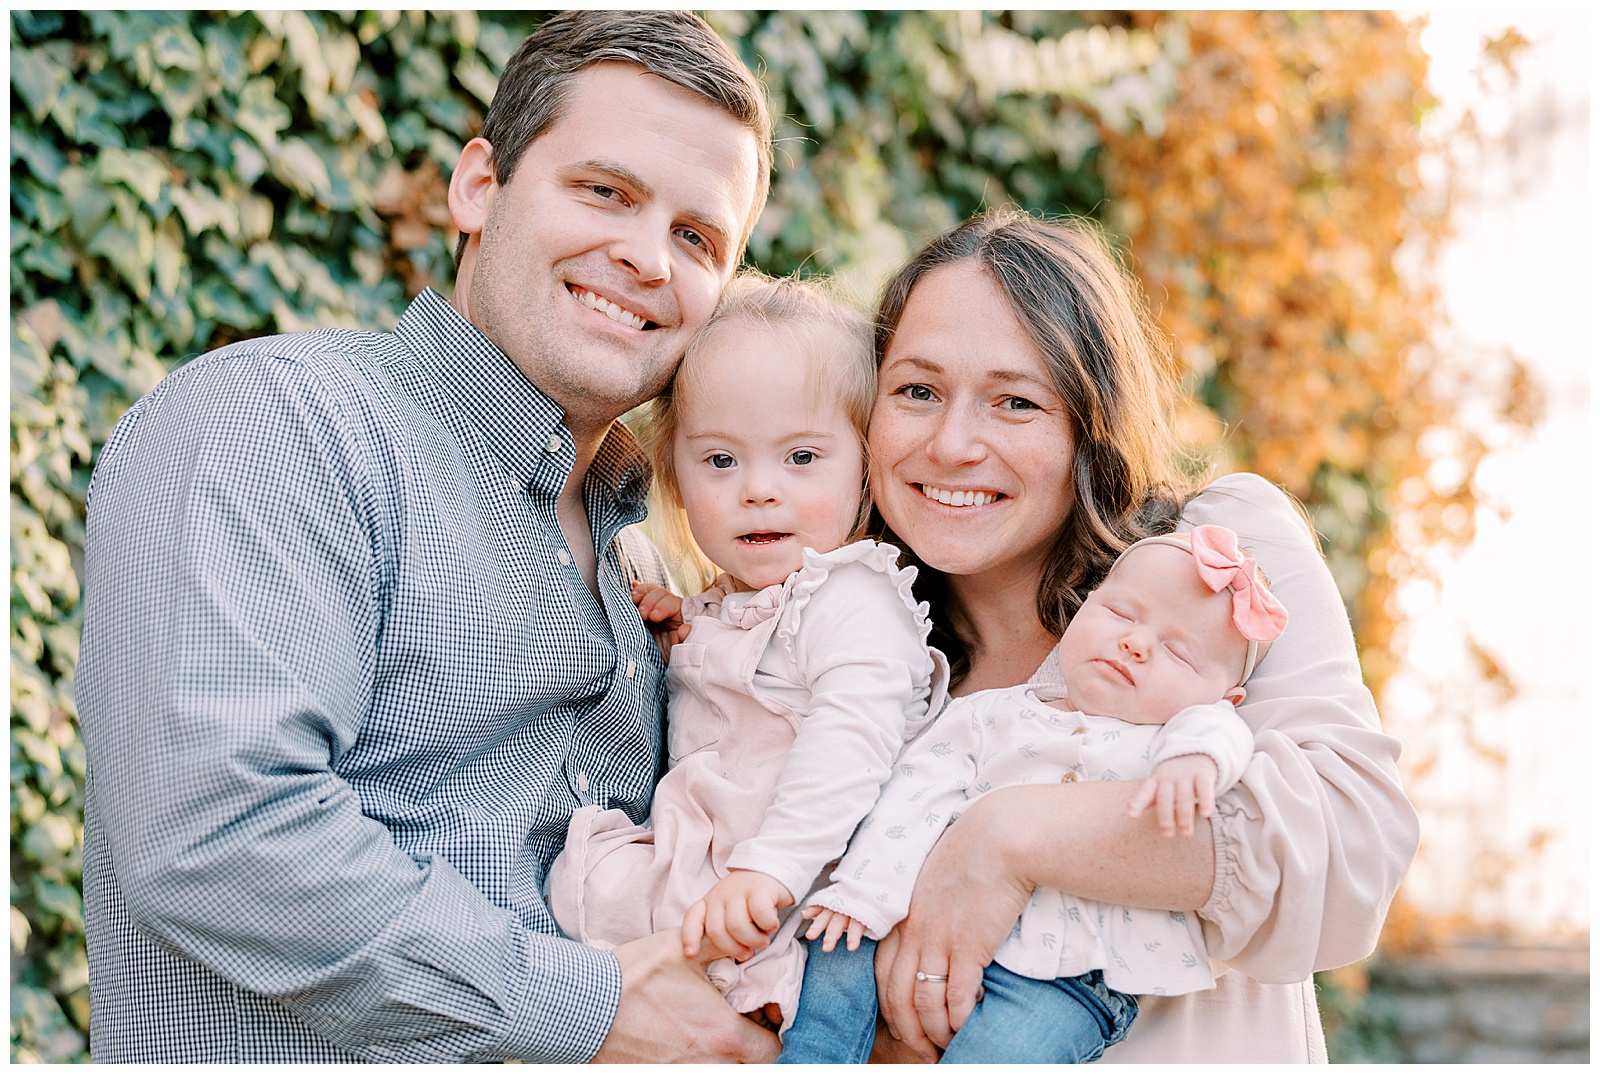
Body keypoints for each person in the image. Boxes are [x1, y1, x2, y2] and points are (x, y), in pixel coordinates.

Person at [74, 11, 783, 1063]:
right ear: (477, 188)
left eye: (696, 238)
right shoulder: (276, 425)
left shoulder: (649, 564)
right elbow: (219, 834)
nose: (644, 255)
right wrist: (591, 1012)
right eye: (605, 192)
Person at [845, 212, 1420, 1062]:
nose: (953, 442)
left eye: (1016, 401)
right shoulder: (856, 644)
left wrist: (1009, 839)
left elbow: (1350, 852)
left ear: (1090, 423)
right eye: (918, 391)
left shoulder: (1213, 567)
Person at [546, 274, 946, 1032]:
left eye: (801, 458)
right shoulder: (732, 599)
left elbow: (852, 741)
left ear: (865, 466)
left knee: (595, 894)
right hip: (709, 864)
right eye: (721, 462)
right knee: (585, 889)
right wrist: (679, 629)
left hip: (788, 882)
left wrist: (773, 867)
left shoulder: (852, 598)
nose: (759, 490)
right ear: (674, 476)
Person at [779, 525, 1287, 1063]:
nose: (1135, 644)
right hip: (916, 916)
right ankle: (815, 1054)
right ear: (1084, 607)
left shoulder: (1174, 742)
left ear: (1224, 697)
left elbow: (1222, 733)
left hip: (1069, 976)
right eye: (1121, 615)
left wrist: (1196, 761)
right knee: (835, 937)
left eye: (1180, 655)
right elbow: (912, 795)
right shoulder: (992, 714)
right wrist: (867, 894)